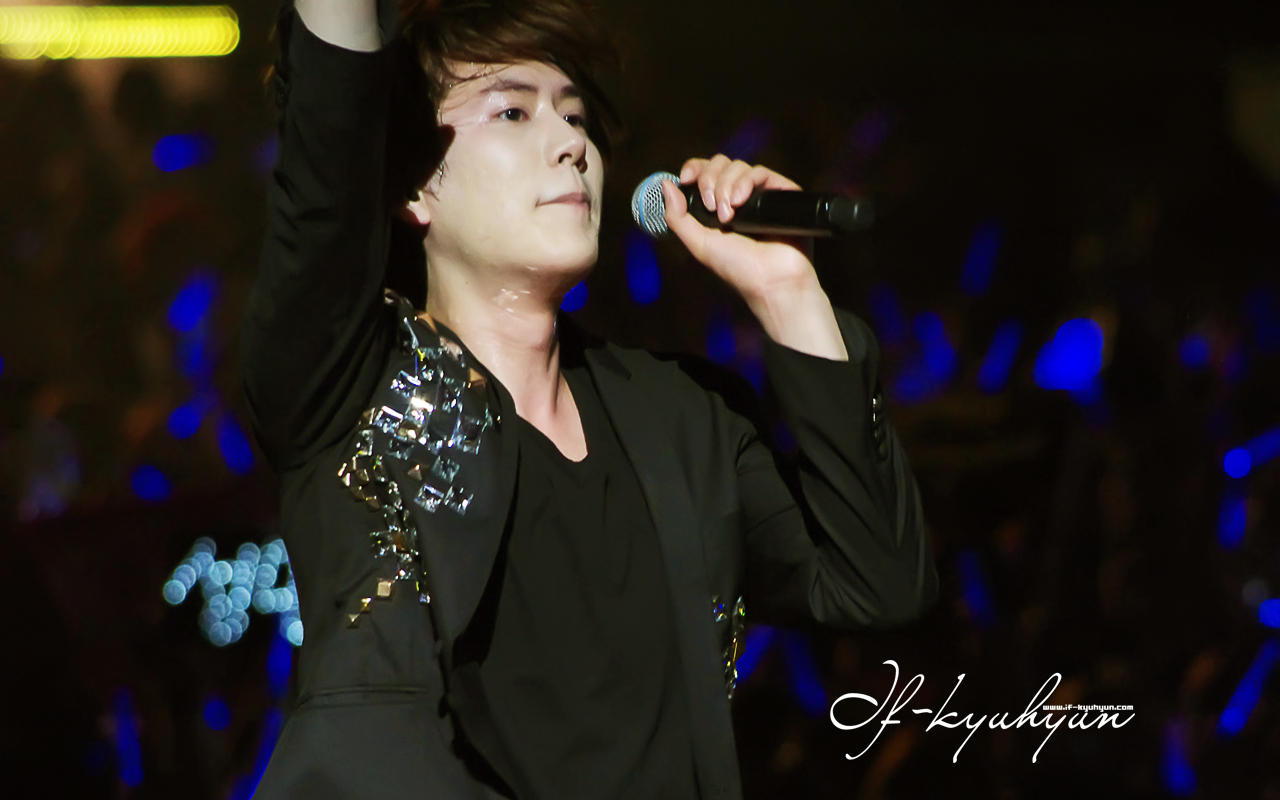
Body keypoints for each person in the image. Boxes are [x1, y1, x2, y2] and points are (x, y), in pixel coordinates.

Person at [242, 0, 938, 797]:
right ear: (411, 184)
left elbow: (879, 584)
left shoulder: (682, 415)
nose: (571, 143)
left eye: (575, 117)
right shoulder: (350, 385)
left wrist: (790, 294)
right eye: (512, 111)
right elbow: (331, 138)